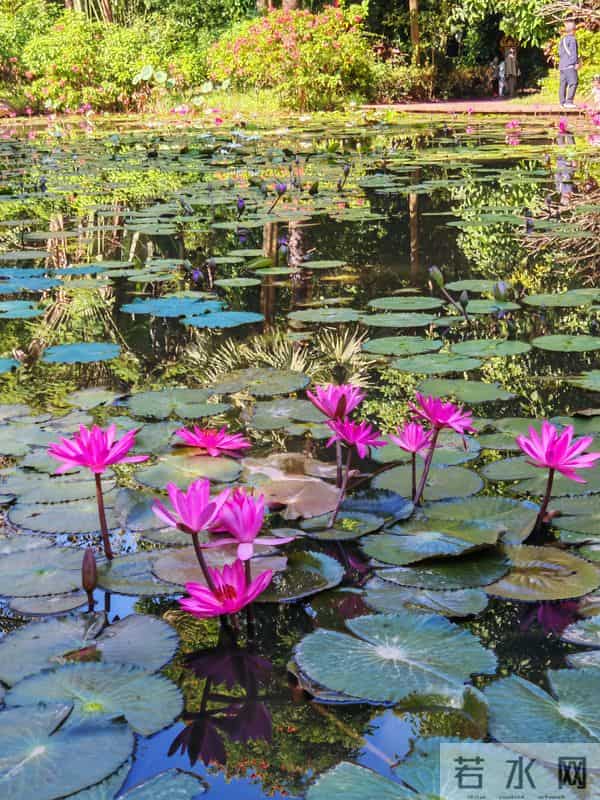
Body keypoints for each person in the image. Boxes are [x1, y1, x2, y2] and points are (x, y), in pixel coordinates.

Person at [559, 20, 580, 108]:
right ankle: (569, 101)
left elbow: (560, 53)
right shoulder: (572, 39)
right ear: (573, 30)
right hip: (570, 65)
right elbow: (573, 52)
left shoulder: (562, 40)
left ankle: (562, 102)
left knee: (563, 84)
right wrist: (576, 63)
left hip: (562, 65)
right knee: (574, 82)